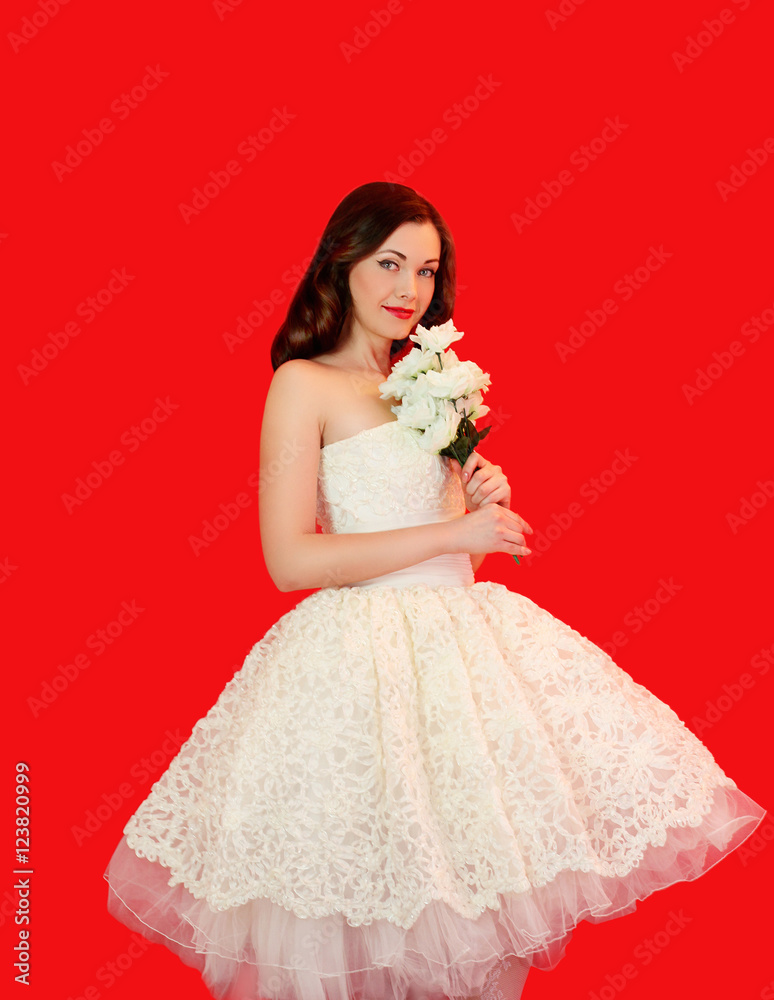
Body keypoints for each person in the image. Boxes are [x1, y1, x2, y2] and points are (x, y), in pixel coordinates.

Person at [103, 181, 766, 1000]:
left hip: (460, 668)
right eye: (389, 263)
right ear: (341, 262)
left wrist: (473, 501)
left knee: (479, 917)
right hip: (355, 673)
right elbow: (290, 561)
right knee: (359, 912)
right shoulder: (303, 384)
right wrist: (455, 532)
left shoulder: (432, 384)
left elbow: (450, 560)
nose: (408, 289)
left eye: (425, 270)